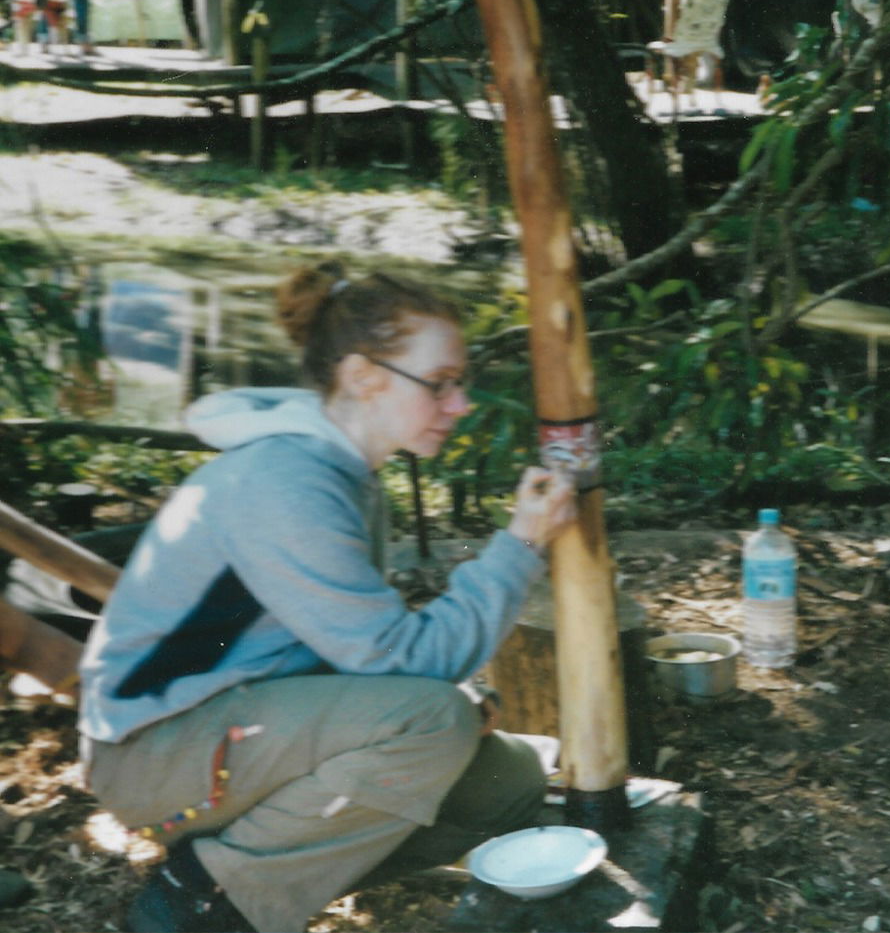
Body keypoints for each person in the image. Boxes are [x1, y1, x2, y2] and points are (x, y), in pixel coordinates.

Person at [78, 262, 577, 933]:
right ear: (363, 375)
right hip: (152, 757)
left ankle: (253, 871)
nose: (461, 403)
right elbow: (407, 663)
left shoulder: (342, 472)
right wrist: (520, 545)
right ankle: (202, 899)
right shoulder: (285, 481)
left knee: (506, 783)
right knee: (431, 721)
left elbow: (349, 650)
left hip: (231, 725)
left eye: (461, 382)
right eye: (441, 383)